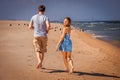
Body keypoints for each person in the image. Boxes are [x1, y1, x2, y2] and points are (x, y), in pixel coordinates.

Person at [29, 5, 50, 69]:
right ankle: (41, 63)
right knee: (43, 51)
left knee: (37, 50)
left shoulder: (33, 17)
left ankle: (39, 61)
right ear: (44, 10)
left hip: (36, 35)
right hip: (44, 35)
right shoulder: (45, 17)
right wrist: (46, 31)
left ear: (38, 10)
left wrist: (34, 28)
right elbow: (48, 26)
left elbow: (29, 27)